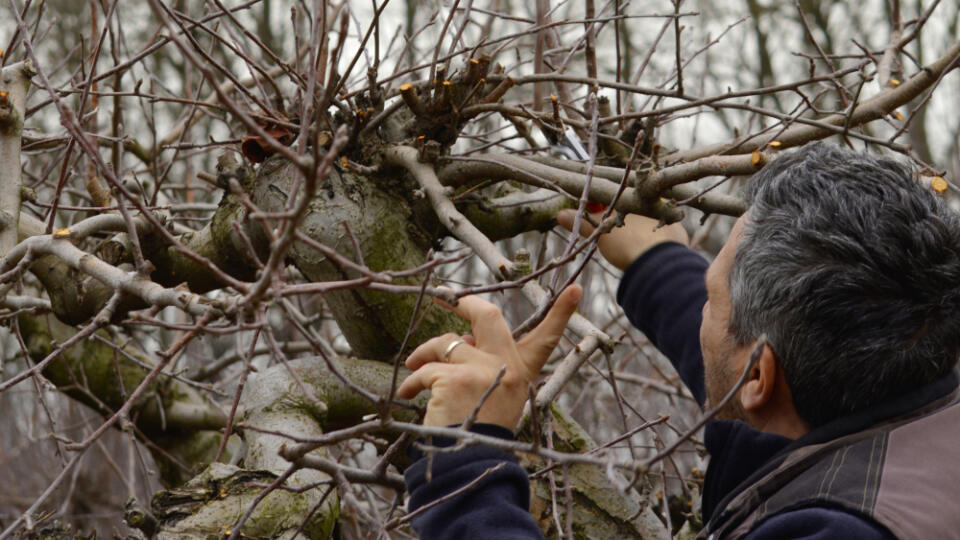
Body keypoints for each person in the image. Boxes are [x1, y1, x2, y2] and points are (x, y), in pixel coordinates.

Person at [398, 142, 960, 539]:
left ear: (760, 377)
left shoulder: (841, 530)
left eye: (712, 300)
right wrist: (658, 258)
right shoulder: (915, 381)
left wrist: (466, 465)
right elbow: (752, 393)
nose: (702, 314)